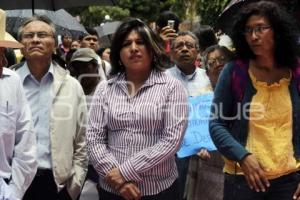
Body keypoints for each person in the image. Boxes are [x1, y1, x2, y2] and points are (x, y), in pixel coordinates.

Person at [87, 18, 189, 200]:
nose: (134, 48)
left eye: (140, 42)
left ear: (152, 49)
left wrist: (125, 172)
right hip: (112, 189)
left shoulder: (172, 87)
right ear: (118, 53)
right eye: (126, 44)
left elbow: (171, 140)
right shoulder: (105, 89)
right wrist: (117, 179)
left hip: (159, 190)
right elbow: (94, 138)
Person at [209, 1, 300, 200]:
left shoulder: (295, 71)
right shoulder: (235, 71)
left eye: (260, 28)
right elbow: (216, 125)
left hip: (288, 180)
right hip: (244, 180)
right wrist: (243, 156)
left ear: (276, 30)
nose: (253, 36)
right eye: (248, 30)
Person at [14, 15, 88, 200]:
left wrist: (75, 185)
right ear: (21, 44)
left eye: (42, 35)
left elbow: (83, 139)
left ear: (54, 43)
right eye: (29, 36)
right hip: (13, 182)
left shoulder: (71, 85)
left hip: (58, 186)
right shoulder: (8, 82)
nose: (36, 39)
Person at [166, 31, 212, 200]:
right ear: (171, 54)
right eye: (179, 46)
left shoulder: (208, 77)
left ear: (198, 52)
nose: (184, 49)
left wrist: (207, 142)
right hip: (171, 152)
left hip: (204, 150)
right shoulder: (162, 79)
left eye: (189, 46)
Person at [185, 44, 234, 200]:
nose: (218, 64)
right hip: (209, 166)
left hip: (242, 167)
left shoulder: (247, 92)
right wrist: (197, 146)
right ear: (207, 72)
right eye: (212, 63)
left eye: (222, 59)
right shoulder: (199, 99)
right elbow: (192, 133)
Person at [0, 8, 37, 200]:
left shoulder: (11, 80)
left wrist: (13, 192)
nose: (4, 60)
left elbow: (26, 142)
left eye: (3, 51)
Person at [69, 48, 101, 200]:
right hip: (75, 160)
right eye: (77, 66)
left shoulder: (108, 90)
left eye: (85, 65)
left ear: (96, 66)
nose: (80, 70)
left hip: (100, 163)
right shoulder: (70, 90)